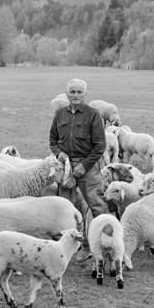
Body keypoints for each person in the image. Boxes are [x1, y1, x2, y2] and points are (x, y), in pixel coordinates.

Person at [48, 78, 110, 219]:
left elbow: (100, 146)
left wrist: (84, 165)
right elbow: (53, 140)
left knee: (97, 205)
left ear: (85, 94)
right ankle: (70, 238)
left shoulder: (93, 114)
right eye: (72, 92)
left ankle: (104, 236)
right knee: (65, 207)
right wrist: (59, 154)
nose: (76, 95)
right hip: (66, 167)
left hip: (88, 167)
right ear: (67, 94)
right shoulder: (60, 114)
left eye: (79, 92)